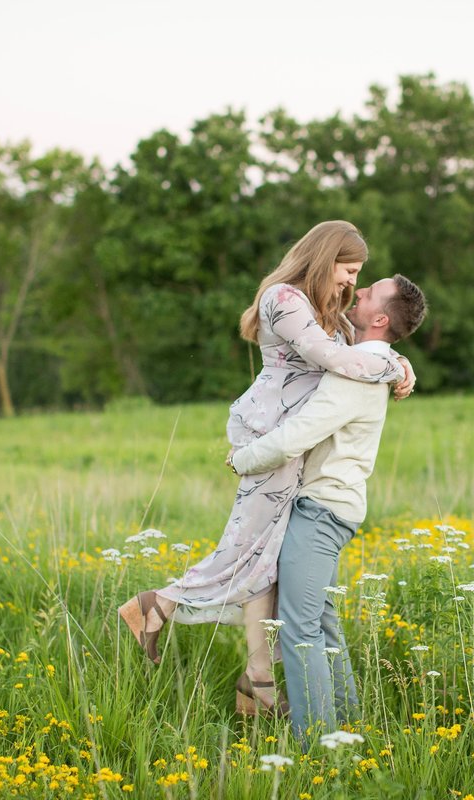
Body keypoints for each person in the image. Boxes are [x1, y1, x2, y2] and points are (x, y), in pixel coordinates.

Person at [117, 221, 415, 716]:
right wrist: (394, 369)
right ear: (326, 258)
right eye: (350, 270)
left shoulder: (329, 311)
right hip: (268, 435)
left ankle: (257, 678)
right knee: (246, 546)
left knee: (267, 555)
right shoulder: (285, 299)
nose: (350, 282)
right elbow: (335, 358)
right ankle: (160, 603)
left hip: (290, 442)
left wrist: (401, 363)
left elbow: (369, 345)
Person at [228, 274, 428, 741]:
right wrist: (401, 363)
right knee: (321, 622)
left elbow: (302, 433)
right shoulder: (372, 362)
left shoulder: (357, 371)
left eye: (367, 293)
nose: (356, 294)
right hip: (333, 506)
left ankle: (317, 742)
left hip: (321, 509)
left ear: (379, 318)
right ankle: (348, 727)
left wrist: (244, 458)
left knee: (300, 630)